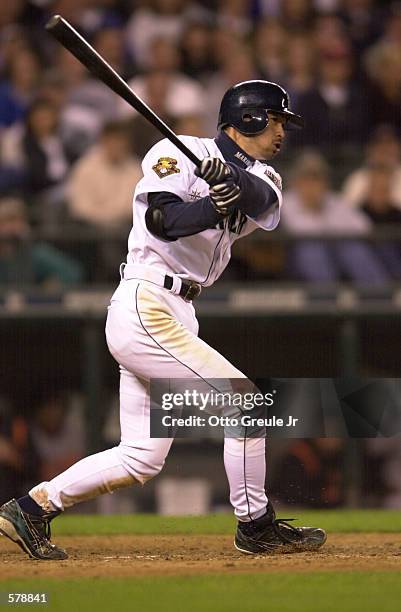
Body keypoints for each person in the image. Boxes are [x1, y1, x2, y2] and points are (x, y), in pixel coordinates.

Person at [0, 80, 326, 560]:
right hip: (147, 301)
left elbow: (259, 201)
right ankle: (255, 527)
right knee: (247, 406)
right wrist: (210, 201)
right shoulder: (177, 152)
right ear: (250, 118)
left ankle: (31, 508)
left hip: (179, 312)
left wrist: (229, 180)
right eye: (275, 120)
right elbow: (162, 221)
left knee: (141, 458)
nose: (281, 131)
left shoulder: (268, 177)